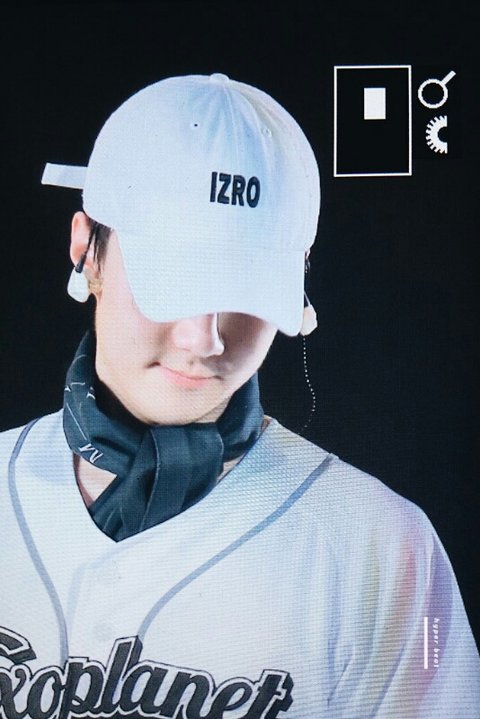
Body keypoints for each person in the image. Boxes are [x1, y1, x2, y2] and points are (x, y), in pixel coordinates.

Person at [0, 73, 478, 719]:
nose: (205, 339)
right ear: (87, 248)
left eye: (245, 287)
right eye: (172, 280)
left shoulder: (383, 548)